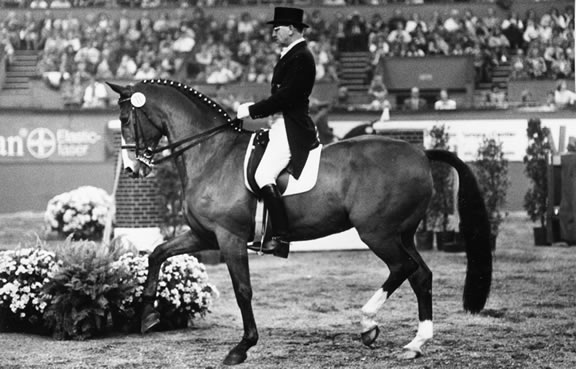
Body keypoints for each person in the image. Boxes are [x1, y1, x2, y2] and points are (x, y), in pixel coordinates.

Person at [236, 7, 319, 257]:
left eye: (277, 28)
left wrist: (252, 109)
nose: (273, 33)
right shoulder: (291, 55)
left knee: (263, 175)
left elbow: (286, 97)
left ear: (291, 29)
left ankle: (281, 238)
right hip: (279, 124)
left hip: (291, 127)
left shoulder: (302, 56)